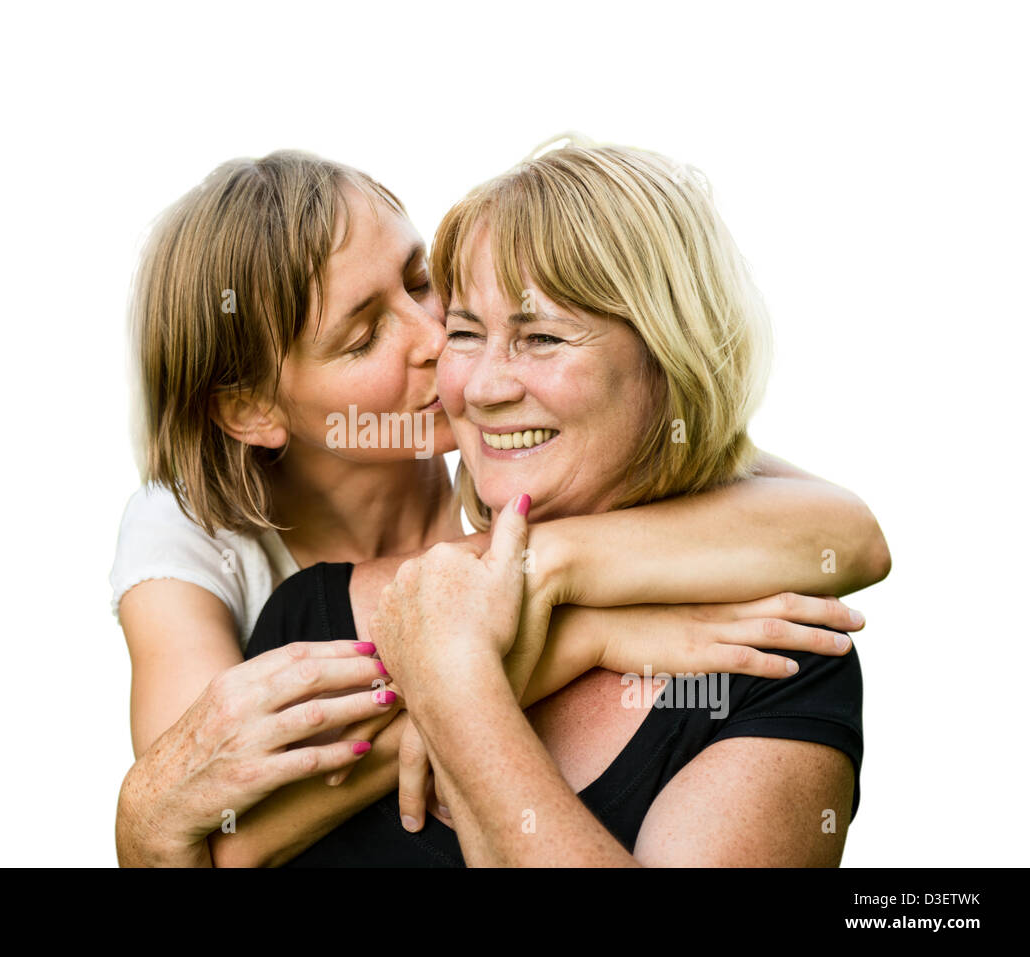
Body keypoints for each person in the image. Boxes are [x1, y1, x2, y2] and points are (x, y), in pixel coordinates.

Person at [112, 146, 889, 867]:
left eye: (423, 285)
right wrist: (575, 638)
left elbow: (845, 531)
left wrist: (541, 572)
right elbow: (201, 819)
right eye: (362, 337)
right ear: (249, 408)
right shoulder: (199, 544)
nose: (439, 345)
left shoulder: (522, 448)